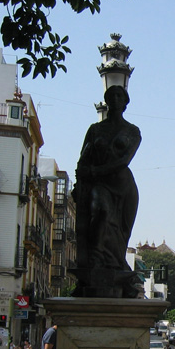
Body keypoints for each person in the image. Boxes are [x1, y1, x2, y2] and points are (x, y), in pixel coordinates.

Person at [72, 84, 141, 298]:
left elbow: (124, 160)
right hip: (99, 184)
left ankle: (113, 267)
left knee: (121, 233)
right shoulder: (95, 130)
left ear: (125, 102)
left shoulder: (132, 131)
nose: (116, 99)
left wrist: (95, 171)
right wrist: (82, 177)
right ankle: (95, 260)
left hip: (123, 186)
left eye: (120, 95)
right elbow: (83, 158)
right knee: (100, 211)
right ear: (107, 101)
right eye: (112, 95)